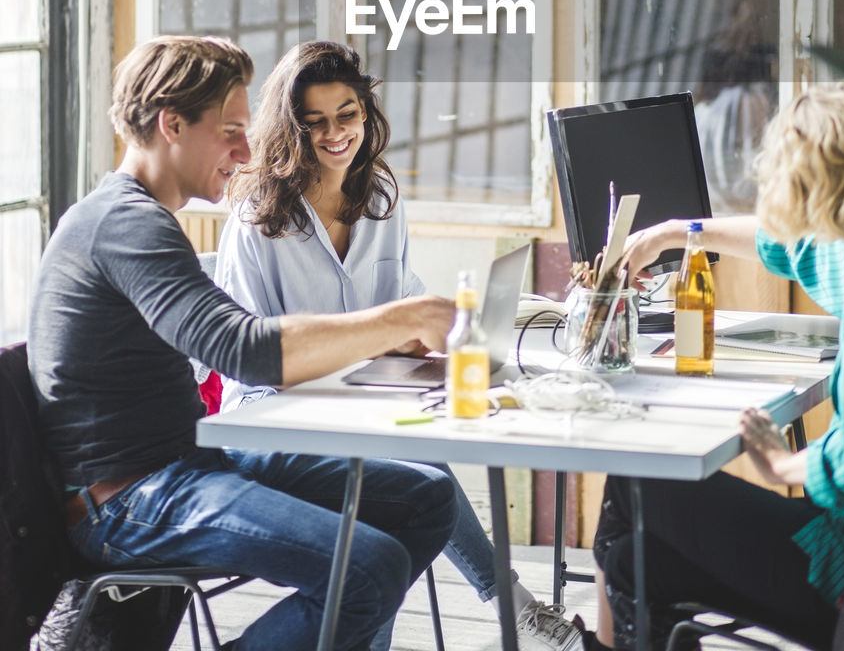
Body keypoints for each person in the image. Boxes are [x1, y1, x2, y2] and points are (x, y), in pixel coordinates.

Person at [28, 35, 461, 651]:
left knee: (428, 498)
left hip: (188, 463)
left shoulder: (143, 218)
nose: (247, 147)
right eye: (230, 129)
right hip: (131, 498)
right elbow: (243, 349)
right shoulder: (123, 225)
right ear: (171, 124)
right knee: (367, 568)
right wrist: (399, 320)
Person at [215, 39, 583, 650]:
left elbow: (400, 310)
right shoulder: (257, 217)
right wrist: (376, 344)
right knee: (410, 476)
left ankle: (505, 606)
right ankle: (509, 605)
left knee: (420, 456)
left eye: (348, 115)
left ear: (366, 112)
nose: (336, 134)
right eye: (315, 123)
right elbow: (254, 361)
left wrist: (433, 341)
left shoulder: (380, 198)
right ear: (289, 129)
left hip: (360, 399)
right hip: (269, 415)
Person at [574, 84, 844, 651]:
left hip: (837, 573)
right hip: (834, 543)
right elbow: (784, 243)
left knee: (635, 479)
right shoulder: (841, 247)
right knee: (631, 559)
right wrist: (677, 231)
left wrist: (784, 464)